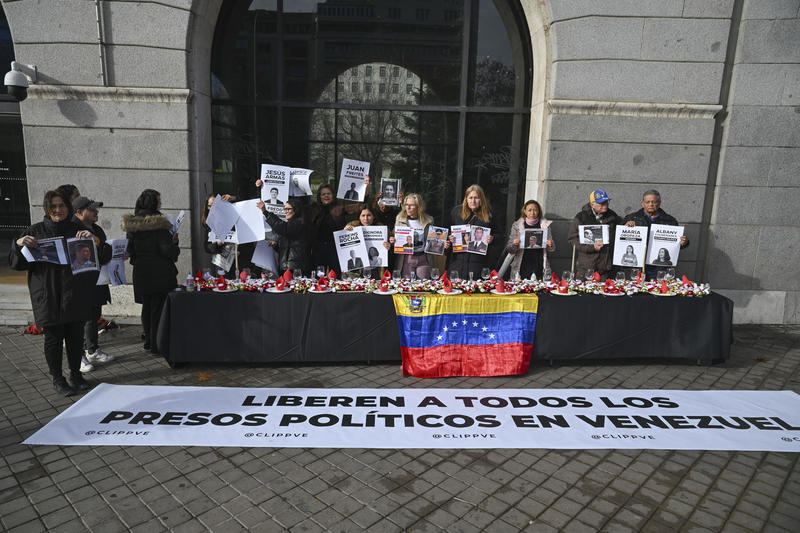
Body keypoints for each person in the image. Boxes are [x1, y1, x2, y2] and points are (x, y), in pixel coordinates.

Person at [9, 190, 97, 396]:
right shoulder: (35, 231)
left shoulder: (78, 229)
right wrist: (18, 244)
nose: (58, 210)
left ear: (69, 207)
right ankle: (58, 379)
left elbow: (100, 257)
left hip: (74, 293)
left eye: (62, 206)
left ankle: (76, 374)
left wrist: (93, 240)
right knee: (54, 340)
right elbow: (16, 264)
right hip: (48, 295)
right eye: (53, 207)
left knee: (76, 338)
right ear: (47, 209)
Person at [122, 189, 180, 355]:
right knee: (158, 309)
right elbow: (166, 249)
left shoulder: (133, 223)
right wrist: (174, 243)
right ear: (153, 203)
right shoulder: (159, 223)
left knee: (146, 308)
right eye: (159, 202)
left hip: (141, 271)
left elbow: (130, 248)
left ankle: (148, 341)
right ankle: (157, 344)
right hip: (159, 272)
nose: (161, 205)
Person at [73, 196, 115, 371]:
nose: (96, 212)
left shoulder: (96, 229)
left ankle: (92, 349)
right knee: (80, 319)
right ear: (79, 212)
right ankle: (78, 355)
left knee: (93, 315)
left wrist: (96, 240)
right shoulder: (71, 229)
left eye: (96, 209)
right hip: (79, 283)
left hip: (98, 280)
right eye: (92, 209)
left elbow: (105, 255)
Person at [623, 189, 690, 279]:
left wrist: (683, 243)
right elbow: (619, 240)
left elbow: (675, 245)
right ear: (643, 203)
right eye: (648, 202)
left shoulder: (670, 220)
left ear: (659, 203)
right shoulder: (631, 218)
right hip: (636, 267)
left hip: (659, 268)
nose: (651, 204)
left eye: (654, 202)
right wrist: (625, 228)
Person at [306, 183, 363, 275]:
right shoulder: (313, 208)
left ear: (333, 195)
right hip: (318, 247)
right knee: (319, 276)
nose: (326, 196)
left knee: (335, 275)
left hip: (335, 247)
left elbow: (359, 207)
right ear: (319, 196)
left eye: (328, 193)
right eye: (323, 194)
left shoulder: (339, 207)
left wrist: (365, 187)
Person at [567, 189, 621, 279]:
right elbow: (572, 238)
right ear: (592, 204)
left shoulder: (613, 216)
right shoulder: (581, 217)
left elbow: (620, 232)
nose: (605, 205)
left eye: (606, 202)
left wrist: (627, 223)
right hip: (586, 268)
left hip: (605, 268)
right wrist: (591, 248)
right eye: (601, 203)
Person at [448, 185, 496, 279]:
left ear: (481, 199)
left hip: (479, 265)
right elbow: (447, 232)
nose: (473, 201)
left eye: (476, 198)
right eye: (470, 198)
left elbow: (500, 236)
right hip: (458, 263)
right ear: (466, 199)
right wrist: (449, 238)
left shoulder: (489, 215)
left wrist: (493, 238)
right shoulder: (456, 212)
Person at [393, 193, 443, 279]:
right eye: (406, 205)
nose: (408, 208)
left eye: (411, 205)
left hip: (423, 258)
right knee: (406, 285)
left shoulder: (428, 220)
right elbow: (395, 236)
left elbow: (433, 240)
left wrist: (441, 243)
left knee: (423, 285)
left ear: (419, 206)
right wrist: (392, 239)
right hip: (407, 258)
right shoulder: (400, 218)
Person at [257, 197, 310, 274]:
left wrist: (265, 212)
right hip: (286, 266)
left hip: (296, 268)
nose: (285, 212)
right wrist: (276, 245)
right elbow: (287, 248)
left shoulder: (300, 223)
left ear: (296, 209)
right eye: (285, 209)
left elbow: (283, 228)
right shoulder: (291, 224)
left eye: (288, 209)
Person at [506, 199, 555, 280]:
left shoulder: (545, 225)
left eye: (535, 210)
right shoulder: (517, 225)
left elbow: (552, 248)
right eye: (529, 210)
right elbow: (510, 249)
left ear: (539, 211)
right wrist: (514, 244)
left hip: (539, 262)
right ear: (524, 211)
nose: (532, 213)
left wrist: (550, 244)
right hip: (522, 263)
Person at [203, 193, 239, 278]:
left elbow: (245, 205)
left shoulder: (231, 214)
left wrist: (234, 198)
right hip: (221, 266)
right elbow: (207, 247)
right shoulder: (209, 224)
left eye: (215, 204)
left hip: (238, 261)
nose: (213, 208)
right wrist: (218, 244)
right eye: (210, 206)